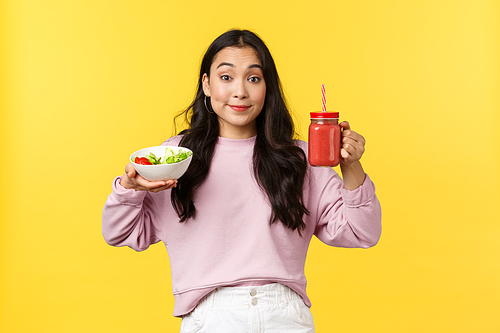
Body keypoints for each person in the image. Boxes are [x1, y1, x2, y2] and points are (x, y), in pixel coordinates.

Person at [102, 29, 381, 333]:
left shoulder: (299, 158)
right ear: (206, 85)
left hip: (285, 316)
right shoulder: (175, 157)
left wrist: (351, 166)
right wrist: (130, 189)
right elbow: (119, 233)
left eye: (253, 78)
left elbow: (362, 233)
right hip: (209, 316)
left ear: (266, 87)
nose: (240, 92)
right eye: (226, 77)